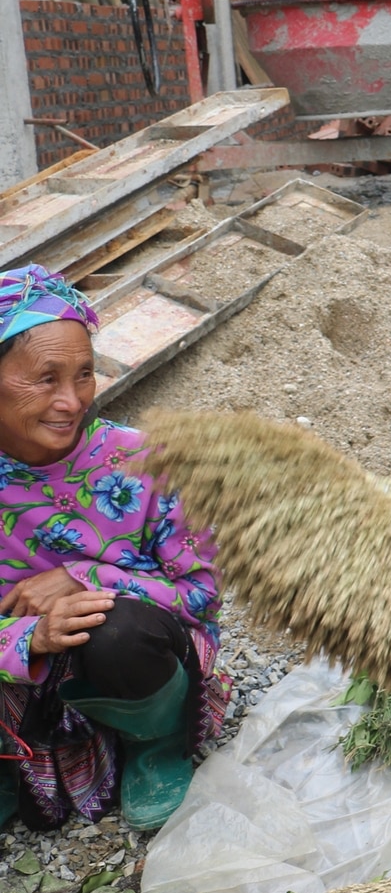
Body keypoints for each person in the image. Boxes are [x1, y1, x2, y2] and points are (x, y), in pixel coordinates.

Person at [0, 267, 224, 831]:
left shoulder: (145, 460)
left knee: (115, 630)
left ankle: (156, 738)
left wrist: (83, 578)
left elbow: (201, 595)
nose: (71, 401)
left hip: (131, 655)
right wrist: (31, 636)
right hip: (26, 677)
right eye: (45, 379)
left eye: (83, 375)